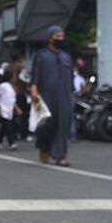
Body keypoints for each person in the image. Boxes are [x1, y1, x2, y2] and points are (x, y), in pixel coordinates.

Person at [30, 26, 74, 166]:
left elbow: (71, 78)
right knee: (46, 125)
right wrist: (34, 90)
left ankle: (60, 155)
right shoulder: (41, 55)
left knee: (62, 125)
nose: (60, 39)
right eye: (57, 37)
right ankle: (44, 148)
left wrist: (71, 95)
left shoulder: (66, 57)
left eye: (62, 36)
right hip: (46, 96)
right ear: (50, 39)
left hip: (64, 97)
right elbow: (35, 75)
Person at [0, 67, 19, 150]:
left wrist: (17, 108)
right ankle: (11, 143)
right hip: (3, 109)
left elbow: (12, 99)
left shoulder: (12, 87)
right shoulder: (3, 86)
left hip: (10, 109)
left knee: (4, 127)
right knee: (8, 126)